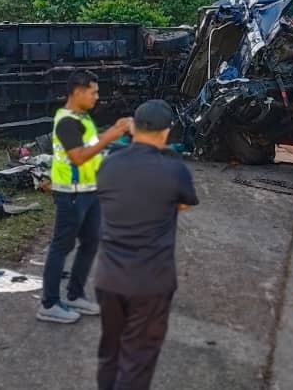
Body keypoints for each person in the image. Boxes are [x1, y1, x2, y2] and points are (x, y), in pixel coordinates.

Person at [95, 99, 199, 390]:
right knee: (137, 361)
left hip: (109, 279)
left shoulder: (108, 163)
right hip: (150, 283)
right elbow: (182, 204)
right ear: (166, 132)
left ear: (133, 126)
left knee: (110, 354)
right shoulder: (174, 170)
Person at [37, 69, 131, 324]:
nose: (97, 97)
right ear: (77, 92)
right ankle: (49, 303)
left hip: (90, 192)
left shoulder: (83, 118)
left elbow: (92, 149)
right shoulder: (67, 121)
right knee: (61, 246)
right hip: (72, 195)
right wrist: (111, 135)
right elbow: (78, 155)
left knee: (91, 242)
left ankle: (75, 294)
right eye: (93, 92)